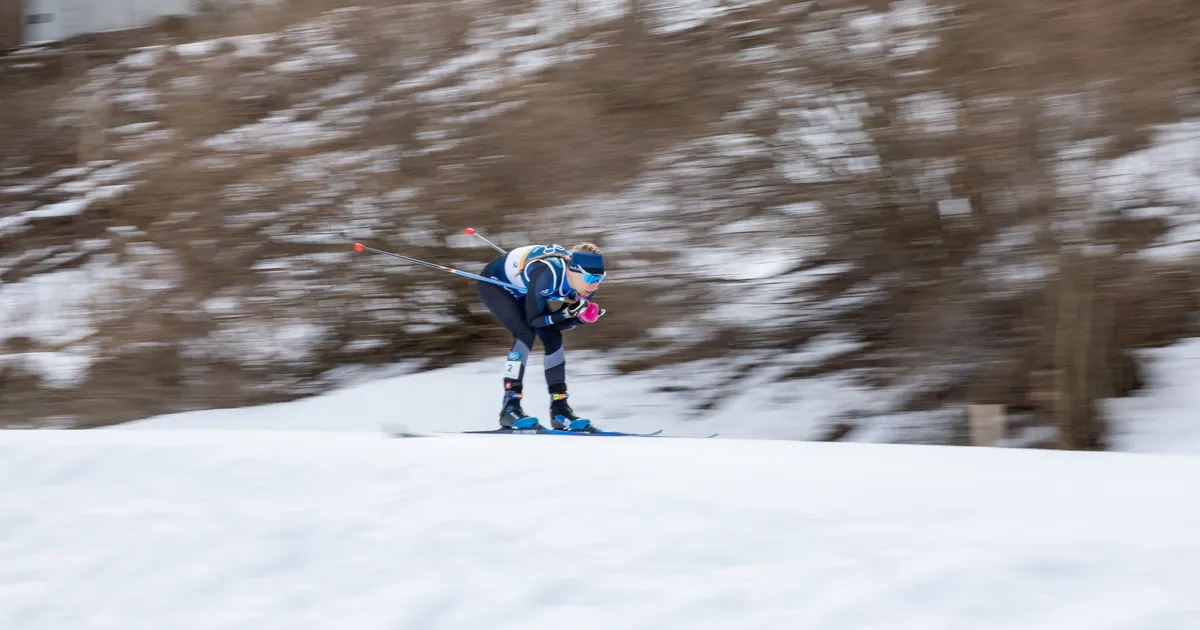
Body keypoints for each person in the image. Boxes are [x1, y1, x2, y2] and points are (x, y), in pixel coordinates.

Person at [476, 242, 607, 431]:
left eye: (600, 279)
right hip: (496, 284)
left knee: (553, 337)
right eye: (590, 278)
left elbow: (557, 325)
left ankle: (560, 409)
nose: (595, 285)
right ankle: (510, 408)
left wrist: (579, 319)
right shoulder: (547, 273)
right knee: (525, 333)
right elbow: (534, 321)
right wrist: (567, 314)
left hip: (527, 288)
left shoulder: (586, 286)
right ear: (573, 271)